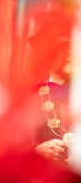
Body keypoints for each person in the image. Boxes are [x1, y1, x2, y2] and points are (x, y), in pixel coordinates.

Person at [28, 21, 74, 163]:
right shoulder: (29, 98)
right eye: (65, 46)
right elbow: (12, 146)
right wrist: (37, 151)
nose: (73, 51)